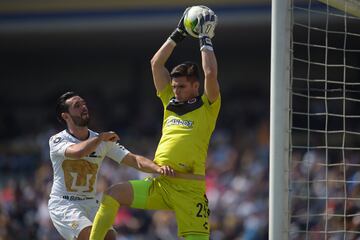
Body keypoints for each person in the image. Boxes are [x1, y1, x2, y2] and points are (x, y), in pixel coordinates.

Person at [90, 7, 220, 240]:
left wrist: (205, 39)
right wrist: (178, 32)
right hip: (160, 184)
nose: (176, 91)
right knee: (112, 193)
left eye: (182, 87)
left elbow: (210, 74)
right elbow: (156, 64)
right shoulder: (168, 102)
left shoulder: (207, 107)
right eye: (175, 86)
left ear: (195, 87)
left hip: (190, 192)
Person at [48, 91, 174, 240]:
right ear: (66, 116)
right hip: (65, 203)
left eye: (84, 104)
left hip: (90, 201)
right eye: (77, 106)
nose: (83, 107)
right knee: (90, 237)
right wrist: (101, 138)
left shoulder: (101, 141)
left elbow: (134, 160)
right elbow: (77, 152)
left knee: (109, 237)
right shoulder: (57, 140)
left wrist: (157, 169)